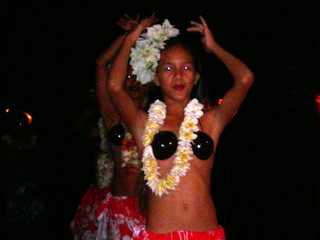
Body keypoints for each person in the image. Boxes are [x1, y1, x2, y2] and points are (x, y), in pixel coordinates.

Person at [106, 14, 254, 240]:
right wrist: (130, 40)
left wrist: (213, 47)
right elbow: (115, 87)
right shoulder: (144, 124)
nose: (178, 75)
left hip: (207, 232)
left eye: (186, 67)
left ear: (195, 77)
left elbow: (245, 78)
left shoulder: (209, 121)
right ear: (155, 79)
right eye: (167, 68)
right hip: (161, 234)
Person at [70, 14, 153, 240]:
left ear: (151, 79)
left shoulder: (157, 117)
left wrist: (150, 39)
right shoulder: (111, 115)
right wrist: (128, 36)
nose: (133, 81)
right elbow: (100, 65)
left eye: (138, 76)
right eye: (127, 76)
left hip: (151, 209)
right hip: (117, 202)